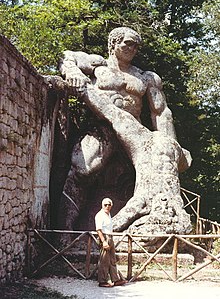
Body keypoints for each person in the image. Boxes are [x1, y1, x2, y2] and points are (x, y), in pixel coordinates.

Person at [58, 27, 190, 233]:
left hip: (134, 133)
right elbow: (66, 56)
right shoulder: (98, 65)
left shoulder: (146, 77)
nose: (133, 48)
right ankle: (64, 231)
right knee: (83, 168)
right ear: (113, 43)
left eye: (136, 45)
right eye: (128, 43)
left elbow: (161, 113)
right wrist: (72, 72)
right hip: (102, 128)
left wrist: (169, 147)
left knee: (150, 178)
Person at [95, 197, 127, 287]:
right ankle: (102, 281)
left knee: (112, 260)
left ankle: (115, 280)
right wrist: (104, 241)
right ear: (102, 205)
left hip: (110, 237)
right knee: (104, 261)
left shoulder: (108, 214)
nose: (107, 206)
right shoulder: (99, 215)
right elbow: (98, 230)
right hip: (104, 237)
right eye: (105, 205)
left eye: (109, 205)